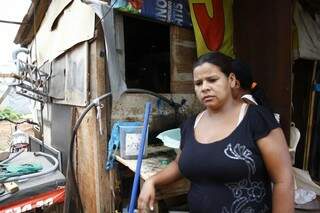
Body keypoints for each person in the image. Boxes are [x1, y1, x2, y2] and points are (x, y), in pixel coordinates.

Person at [138, 52, 294, 213]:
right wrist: (152, 181)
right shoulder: (190, 125)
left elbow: (283, 180)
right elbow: (179, 164)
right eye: (198, 83)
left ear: (231, 80)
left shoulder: (256, 119)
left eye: (212, 80)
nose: (204, 87)